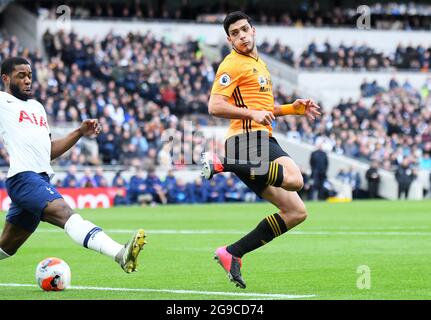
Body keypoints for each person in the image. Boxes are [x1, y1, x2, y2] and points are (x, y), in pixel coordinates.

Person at [200, 12, 321, 289]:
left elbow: (265, 109)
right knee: (295, 179)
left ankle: (232, 253)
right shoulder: (232, 64)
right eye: (235, 33)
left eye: (245, 29)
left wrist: (293, 108)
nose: (242, 36)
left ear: (253, 30)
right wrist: (251, 113)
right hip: (245, 139)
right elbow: (214, 106)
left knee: (296, 211)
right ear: (229, 39)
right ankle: (222, 163)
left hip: (257, 138)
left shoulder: (259, 64)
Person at [0, 57, 146, 273]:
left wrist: (79, 133)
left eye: (29, 75)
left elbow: (47, 151)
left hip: (40, 178)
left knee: (6, 247)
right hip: (23, 178)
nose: (28, 80)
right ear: (5, 78)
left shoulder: (37, 107)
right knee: (65, 213)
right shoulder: (2, 101)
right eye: (21, 76)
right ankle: (119, 253)